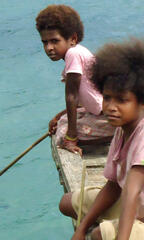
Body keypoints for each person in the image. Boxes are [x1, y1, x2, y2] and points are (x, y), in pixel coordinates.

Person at [59, 38, 144, 240]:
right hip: (133, 203)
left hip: (136, 205)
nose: (111, 107)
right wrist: (81, 228)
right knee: (67, 202)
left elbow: (131, 193)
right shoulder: (122, 129)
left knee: (100, 235)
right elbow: (114, 185)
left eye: (122, 100)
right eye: (107, 98)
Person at [35, 5, 115, 155]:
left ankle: (117, 134)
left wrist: (71, 138)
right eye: (45, 42)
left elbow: (72, 97)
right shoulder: (78, 52)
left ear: (72, 39)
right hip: (100, 111)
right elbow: (81, 101)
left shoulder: (73, 54)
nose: (49, 48)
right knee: (61, 122)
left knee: (61, 135)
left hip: (110, 116)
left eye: (54, 41)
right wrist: (58, 116)